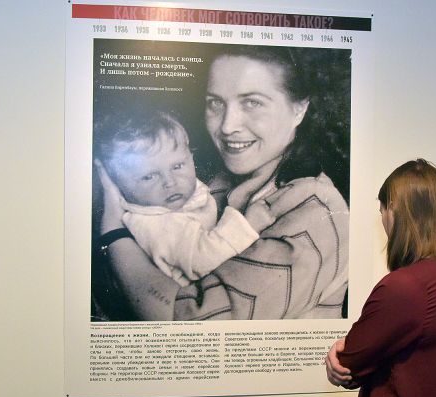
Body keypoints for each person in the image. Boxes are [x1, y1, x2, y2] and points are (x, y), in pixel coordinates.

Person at [95, 44, 350, 321]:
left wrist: (113, 233)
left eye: (252, 102)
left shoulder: (314, 212)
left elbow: (190, 322)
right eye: (215, 103)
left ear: (299, 109)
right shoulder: (219, 182)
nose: (227, 126)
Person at [325, 159, 436, 397]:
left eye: (382, 210)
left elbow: (348, 363)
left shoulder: (404, 287)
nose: (383, 220)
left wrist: (338, 350)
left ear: (394, 209)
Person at [94, 110, 276, 287]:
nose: (170, 182)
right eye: (149, 177)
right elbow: (202, 259)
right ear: (118, 185)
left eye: (178, 166)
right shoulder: (157, 224)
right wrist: (248, 225)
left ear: (191, 157)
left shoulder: (164, 199)